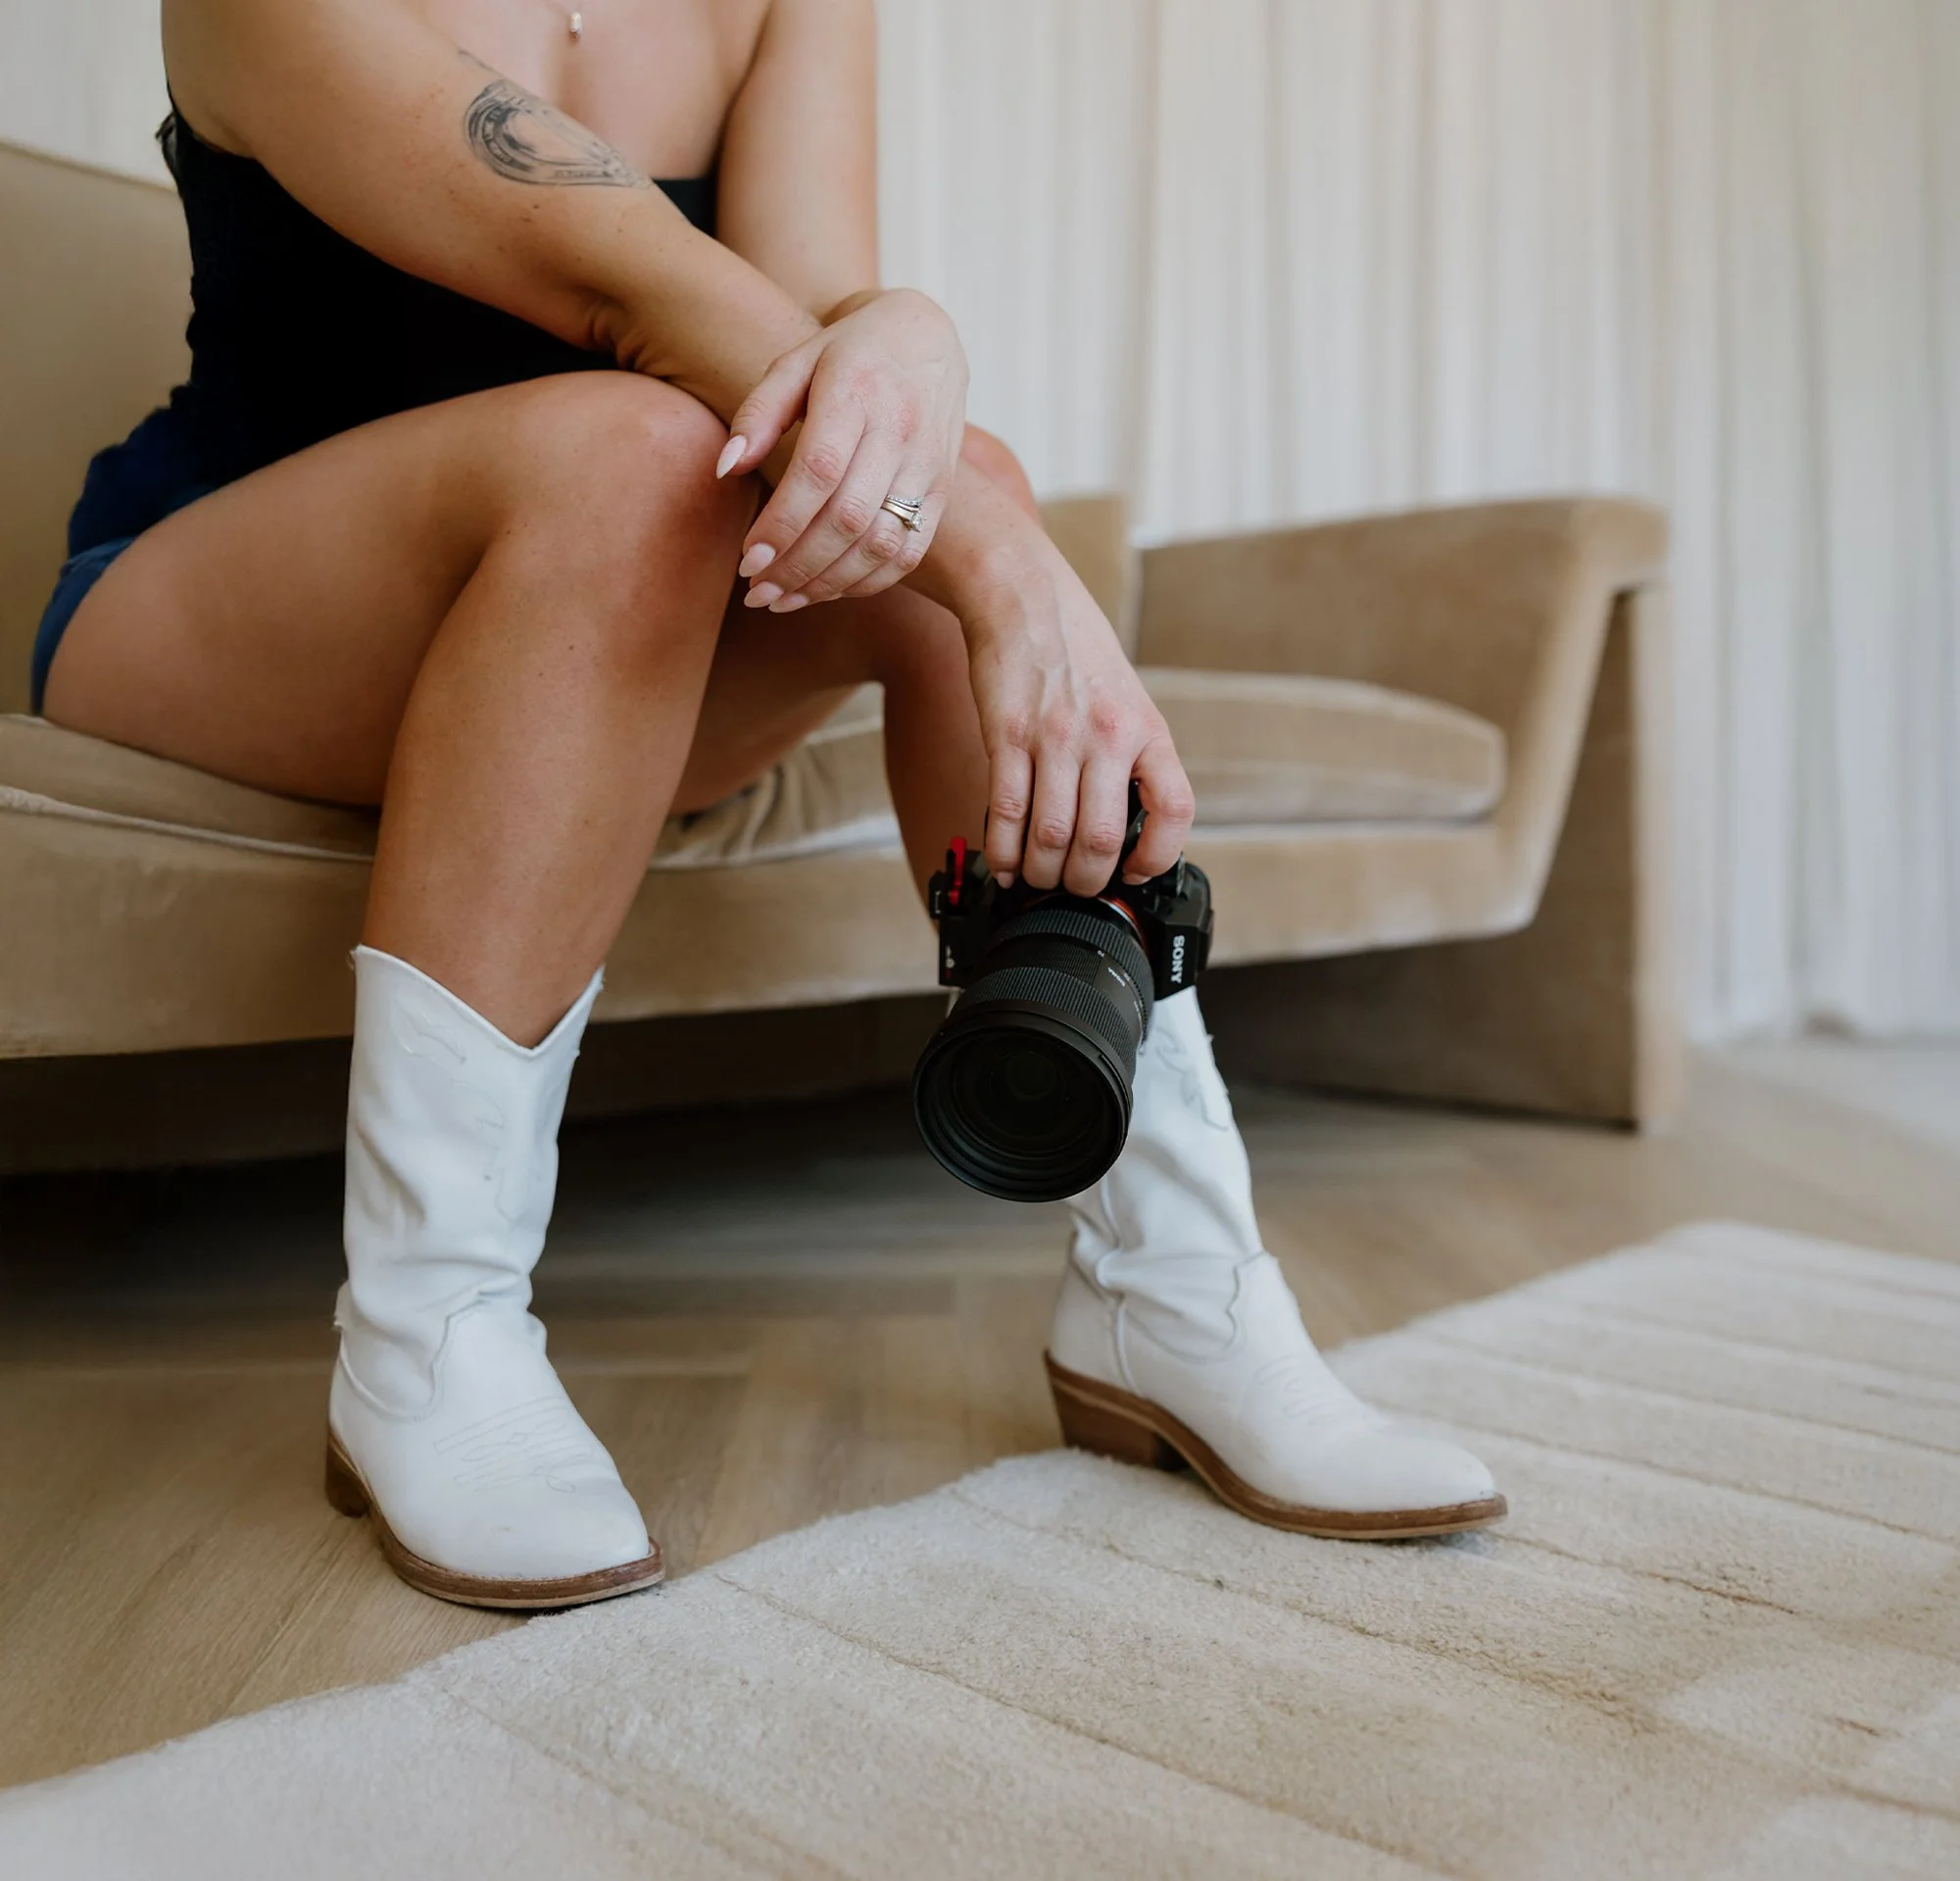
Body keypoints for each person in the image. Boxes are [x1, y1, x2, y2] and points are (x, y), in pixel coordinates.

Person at [34, 0, 1502, 1608]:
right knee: (677, 462)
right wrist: (1016, 575)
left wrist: (912, 333)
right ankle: (423, 1337)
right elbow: (625, 289)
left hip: (611, 624)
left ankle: (1178, 1284)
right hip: (221, 610)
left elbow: (819, 335)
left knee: (937, 474)